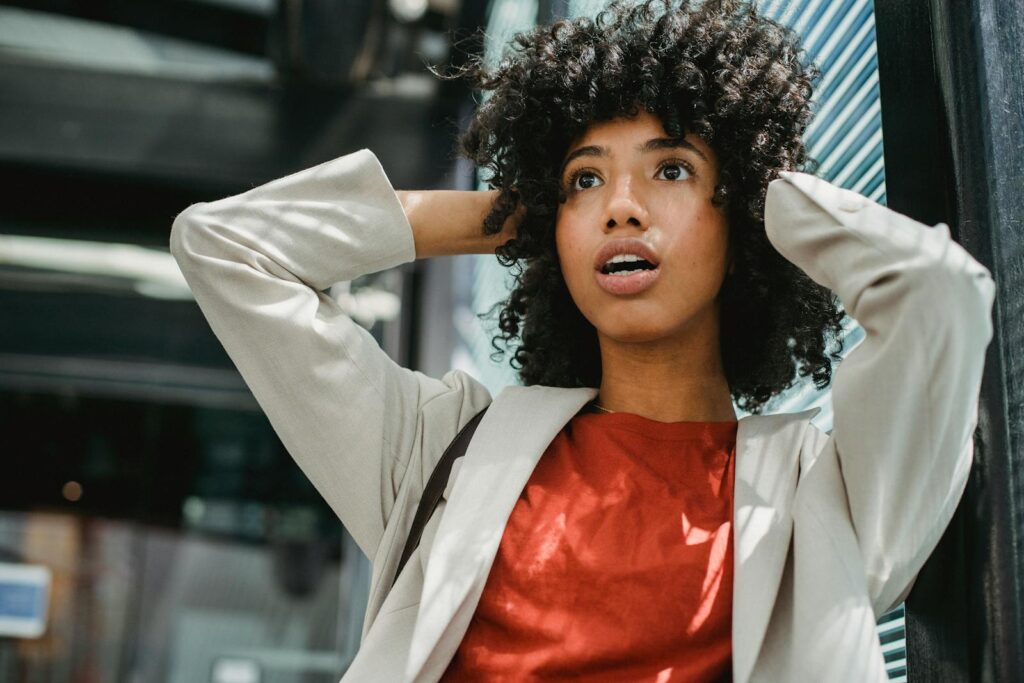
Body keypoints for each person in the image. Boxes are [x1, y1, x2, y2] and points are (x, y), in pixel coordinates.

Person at [168, 0, 995, 680]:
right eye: (584, 180)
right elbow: (226, 249)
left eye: (670, 169)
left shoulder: (828, 495)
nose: (620, 207)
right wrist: (508, 212)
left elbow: (938, 293)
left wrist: (758, 200)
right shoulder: (445, 453)